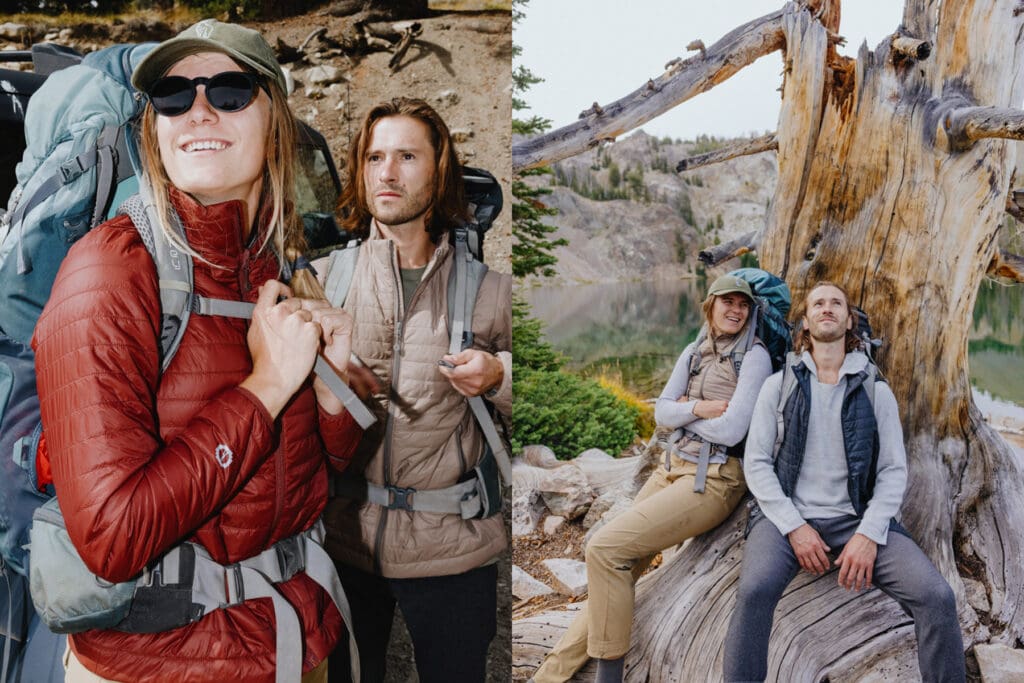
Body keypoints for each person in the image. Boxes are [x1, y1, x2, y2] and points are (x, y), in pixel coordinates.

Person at [32, 20, 362, 682]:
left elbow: (306, 482)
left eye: (230, 89)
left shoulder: (278, 262)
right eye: (173, 95)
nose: (198, 110)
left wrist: (335, 396)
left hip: (293, 640)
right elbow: (112, 536)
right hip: (161, 664)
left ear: (275, 117)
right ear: (154, 126)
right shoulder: (111, 271)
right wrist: (265, 387)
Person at [321, 97, 512, 683]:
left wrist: (500, 374)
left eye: (407, 155)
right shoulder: (325, 277)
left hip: (453, 550)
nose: (387, 171)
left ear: (439, 170)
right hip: (343, 542)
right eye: (375, 156)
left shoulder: (490, 290)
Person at [532, 275, 772, 683]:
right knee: (614, 565)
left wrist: (685, 413)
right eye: (727, 302)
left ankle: (609, 677)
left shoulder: (756, 358)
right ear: (710, 305)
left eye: (743, 304)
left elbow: (733, 431)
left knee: (605, 549)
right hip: (671, 468)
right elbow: (661, 414)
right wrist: (702, 407)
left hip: (714, 480)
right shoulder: (693, 350)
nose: (735, 310)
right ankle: (548, 676)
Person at [723, 281, 965, 682]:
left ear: (850, 320)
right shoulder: (778, 385)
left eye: (836, 303)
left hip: (857, 518)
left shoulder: (874, 388)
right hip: (787, 520)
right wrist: (795, 528)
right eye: (818, 303)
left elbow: (892, 471)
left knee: (937, 598)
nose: (827, 308)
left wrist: (869, 534)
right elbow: (758, 464)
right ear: (805, 321)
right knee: (753, 593)